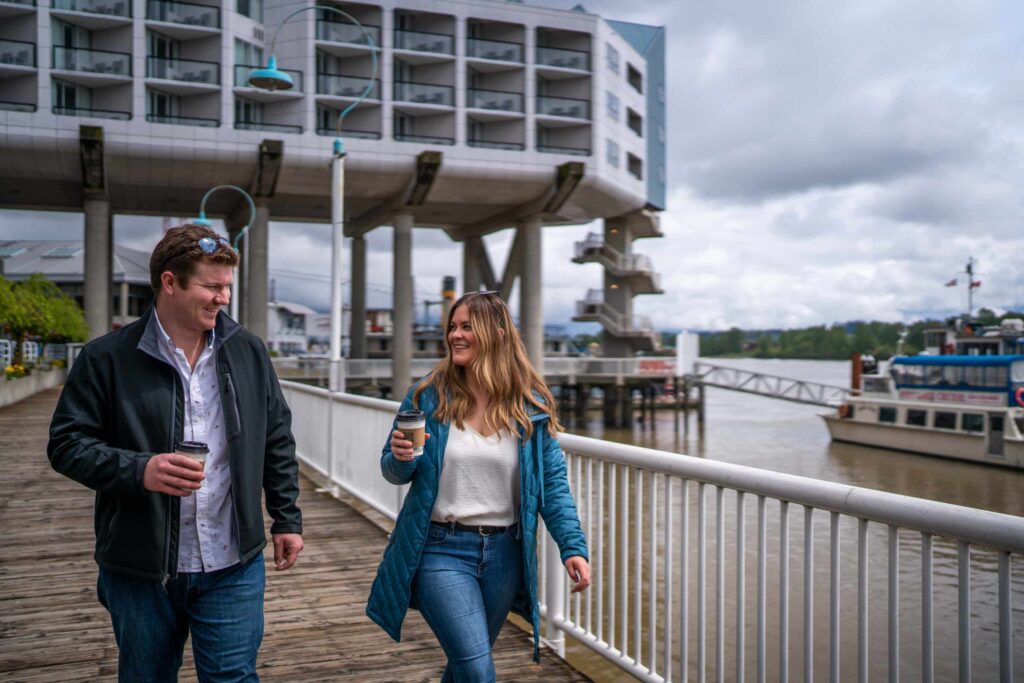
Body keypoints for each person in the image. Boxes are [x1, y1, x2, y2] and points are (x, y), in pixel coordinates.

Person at [48, 224, 304, 682]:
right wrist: (140, 469)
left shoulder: (248, 350)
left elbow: (276, 438)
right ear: (170, 282)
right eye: (211, 286)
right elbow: (66, 445)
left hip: (233, 561)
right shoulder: (105, 357)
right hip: (141, 568)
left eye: (227, 286)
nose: (223, 298)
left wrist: (286, 518)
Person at [366, 291, 590, 682]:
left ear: (498, 333)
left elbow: (553, 486)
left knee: (465, 665)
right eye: (453, 327)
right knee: (476, 668)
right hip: (439, 548)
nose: (455, 335)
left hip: (505, 554)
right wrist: (401, 457)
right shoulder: (427, 396)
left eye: (467, 326)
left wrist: (573, 547)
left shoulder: (530, 407)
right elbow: (395, 471)